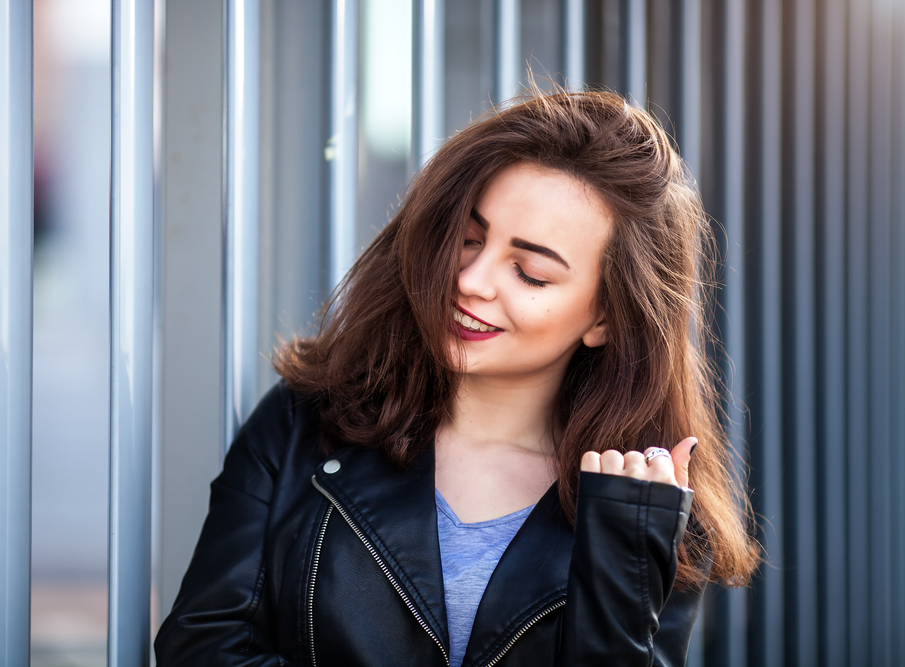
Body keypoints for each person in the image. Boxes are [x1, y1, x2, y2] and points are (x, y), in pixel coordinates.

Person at [154, 89, 759, 666]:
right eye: (468, 240)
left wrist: (622, 559)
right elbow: (201, 648)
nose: (471, 279)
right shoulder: (301, 424)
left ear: (604, 316)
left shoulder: (646, 505)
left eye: (529, 273)